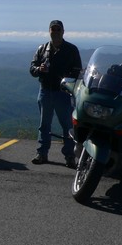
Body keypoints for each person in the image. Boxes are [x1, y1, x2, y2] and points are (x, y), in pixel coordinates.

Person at [29, 20, 82, 168]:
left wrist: (65, 79)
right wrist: (40, 69)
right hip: (45, 91)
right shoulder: (42, 48)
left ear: (63, 31)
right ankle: (41, 154)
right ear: (49, 31)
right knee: (44, 125)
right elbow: (32, 68)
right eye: (53, 29)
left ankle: (70, 156)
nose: (56, 32)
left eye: (58, 29)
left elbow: (77, 70)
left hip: (63, 93)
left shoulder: (71, 49)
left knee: (67, 126)